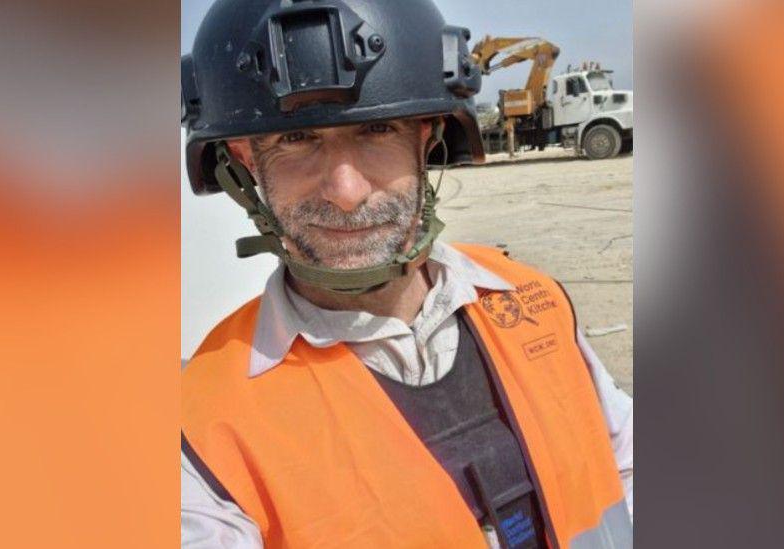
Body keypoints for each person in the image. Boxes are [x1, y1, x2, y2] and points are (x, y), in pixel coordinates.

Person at [180, 1, 633, 547]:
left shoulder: (532, 301)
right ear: (244, 160)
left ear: (426, 136)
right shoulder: (203, 425)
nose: (346, 193)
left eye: (376, 128)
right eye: (295, 141)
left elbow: (626, 466)